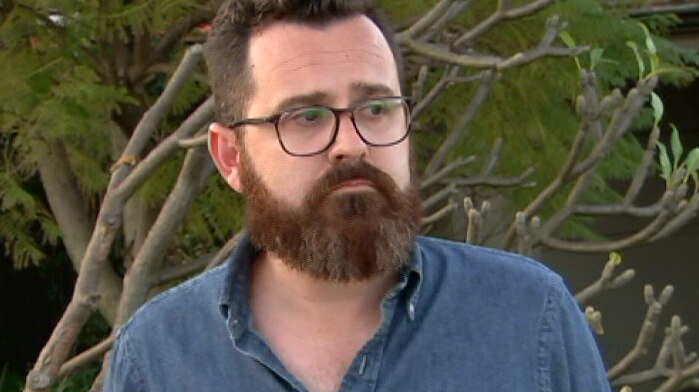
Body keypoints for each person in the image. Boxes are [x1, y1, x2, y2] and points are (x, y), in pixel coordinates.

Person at [104, 0, 612, 391]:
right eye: (305, 117)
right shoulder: (158, 357)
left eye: (376, 108)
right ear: (231, 157)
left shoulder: (528, 317)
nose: (352, 144)